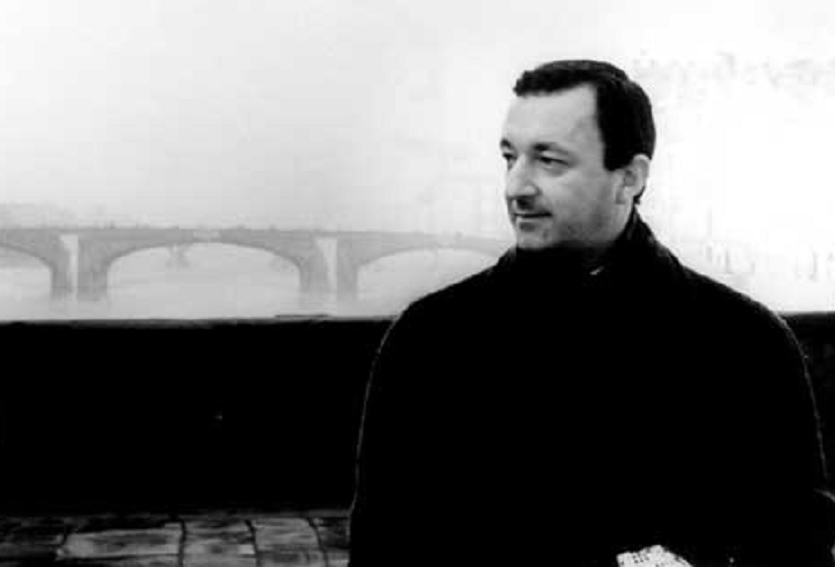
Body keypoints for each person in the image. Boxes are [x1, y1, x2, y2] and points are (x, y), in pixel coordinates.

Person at [348, 59, 835, 566]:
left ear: (629, 178)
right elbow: (385, 547)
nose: (516, 187)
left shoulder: (746, 345)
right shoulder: (430, 340)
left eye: (549, 161)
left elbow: (795, 548)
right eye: (510, 157)